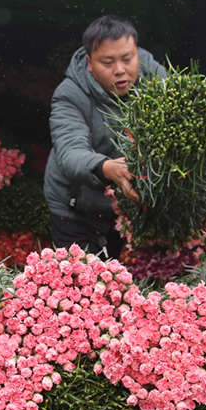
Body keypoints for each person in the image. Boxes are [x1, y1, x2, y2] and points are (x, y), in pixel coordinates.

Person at [44, 15, 166, 259]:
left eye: (127, 59)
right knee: (83, 287)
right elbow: (69, 153)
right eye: (107, 62)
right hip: (75, 207)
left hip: (129, 208)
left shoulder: (158, 79)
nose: (120, 70)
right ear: (89, 63)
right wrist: (106, 168)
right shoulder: (69, 95)